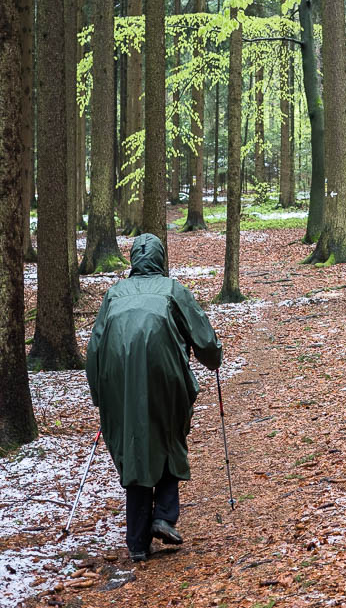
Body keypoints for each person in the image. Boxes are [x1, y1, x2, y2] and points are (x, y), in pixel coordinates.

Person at [85, 233, 222, 562]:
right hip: (166, 375)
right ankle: (163, 515)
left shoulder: (115, 294)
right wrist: (214, 357)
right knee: (167, 435)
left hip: (118, 381)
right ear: (161, 259)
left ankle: (137, 542)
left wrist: (100, 395)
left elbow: (94, 349)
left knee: (135, 446)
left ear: (133, 260)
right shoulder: (173, 290)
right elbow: (204, 340)